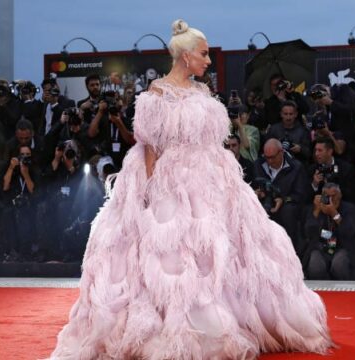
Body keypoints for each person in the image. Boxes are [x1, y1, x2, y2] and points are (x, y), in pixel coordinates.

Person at [48, 20, 331, 360]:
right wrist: (151, 191)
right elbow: (151, 147)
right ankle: (184, 322)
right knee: (174, 252)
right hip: (172, 179)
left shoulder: (202, 91)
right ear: (184, 56)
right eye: (204, 54)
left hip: (212, 175)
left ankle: (237, 314)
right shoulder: (156, 94)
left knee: (229, 247)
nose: (208, 60)